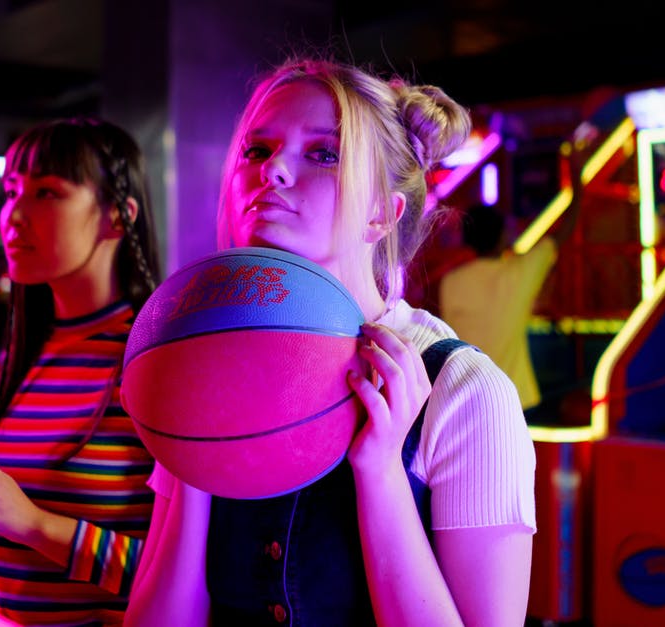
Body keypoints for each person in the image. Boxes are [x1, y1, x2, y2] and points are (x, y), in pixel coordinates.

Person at [125, 57, 537, 626]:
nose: (272, 172)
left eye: (323, 153)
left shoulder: (466, 393)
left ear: (382, 214)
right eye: (257, 150)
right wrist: (194, 456)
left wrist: (382, 471)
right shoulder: (207, 368)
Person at [0, 116, 163, 626]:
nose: (14, 215)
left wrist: (33, 523)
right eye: (11, 192)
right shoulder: (25, 356)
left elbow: (184, 577)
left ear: (117, 216)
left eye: (47, 193)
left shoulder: (158, 361)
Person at [437, 127, 594, 415]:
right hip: (513, 399)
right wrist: (577, 175)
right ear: (500, 238)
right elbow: (567, 227)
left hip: (465, 400)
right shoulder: (519, 271)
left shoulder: (451, 282)